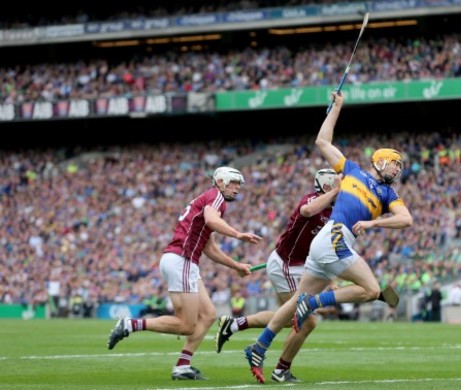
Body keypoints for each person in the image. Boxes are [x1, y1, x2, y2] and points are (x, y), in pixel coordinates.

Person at [243, 90, 413, 383]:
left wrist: (374, 225)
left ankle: (259, 346)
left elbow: (406, 219)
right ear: (380, 161)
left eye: (400, 166)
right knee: (371, 290)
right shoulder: (352, 171)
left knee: (297, 298)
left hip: (332, 242)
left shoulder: (388, 194)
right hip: (334, 236)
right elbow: (322, 141)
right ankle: (314, 302)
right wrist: (337, 107)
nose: (397, 169)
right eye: (394, 163)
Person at [106, 166, 262, 381]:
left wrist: (236, 266)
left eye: (239, 184)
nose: (237, 188)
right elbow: (211, 220)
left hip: (181, 261)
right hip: (182, 260)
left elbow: (209, 248)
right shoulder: (216, 197)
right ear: (220, 181)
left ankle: (182, 366)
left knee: (208, 314)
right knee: (187, 325)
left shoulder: (208, 199)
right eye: (233, 182)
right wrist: (238, 234)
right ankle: (131, 324)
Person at [215, 168, 341, 383]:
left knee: (287, 318)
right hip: (286, 265)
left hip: (302, 266)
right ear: (329, 187)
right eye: (339, 188)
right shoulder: (311, 200)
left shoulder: (335, 212)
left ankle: (235, 325)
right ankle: (281, 369)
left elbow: (324, 250)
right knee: (307, 320)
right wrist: (337, 190)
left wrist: (330, 279)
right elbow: (308, 211)